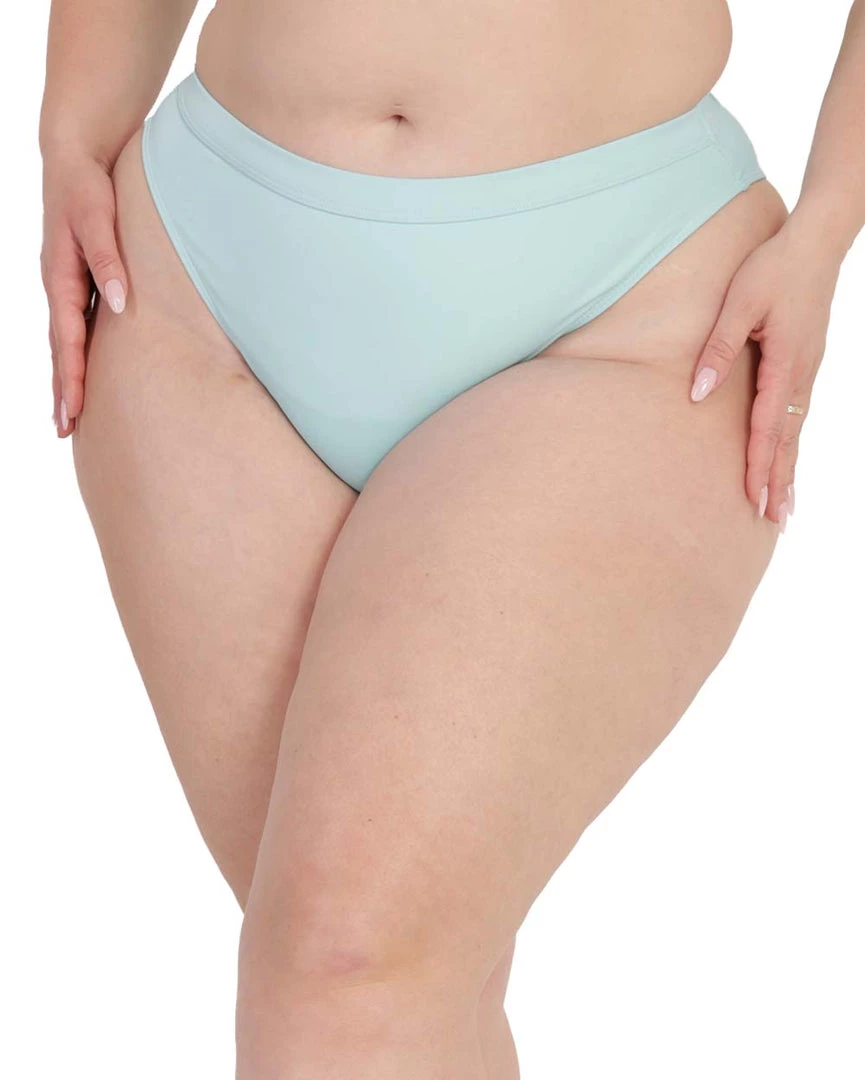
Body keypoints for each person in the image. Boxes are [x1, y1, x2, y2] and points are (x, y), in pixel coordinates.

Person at [39, 0, 863, 1076]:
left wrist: (830, 220)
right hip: (202, 281)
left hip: (624, 296)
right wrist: (71, 127)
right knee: (393, 994)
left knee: (347, 974)